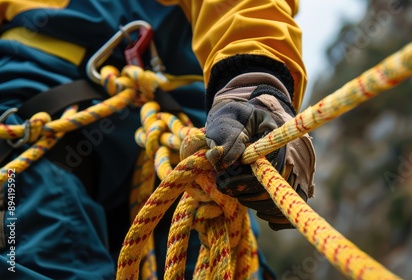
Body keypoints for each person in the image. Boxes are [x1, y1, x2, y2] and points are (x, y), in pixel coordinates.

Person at [0, 0, 315, 278]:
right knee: (26, 257)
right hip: (37, 112)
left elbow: (243, 7)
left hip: (202, 146)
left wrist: (254, 88)